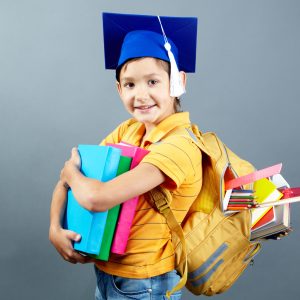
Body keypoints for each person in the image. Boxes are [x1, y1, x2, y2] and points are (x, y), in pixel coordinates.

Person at [49, 12, 200, 299]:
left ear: (178, 82)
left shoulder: (180, 146)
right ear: (119, 89)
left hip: (148, 283)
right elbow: (67, 184)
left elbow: (94, 196)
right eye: (130, 84)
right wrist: (54, 228)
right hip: (109, 276)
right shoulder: (128, 131)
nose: (140, 95)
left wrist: (71, 172)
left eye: (153, 82)